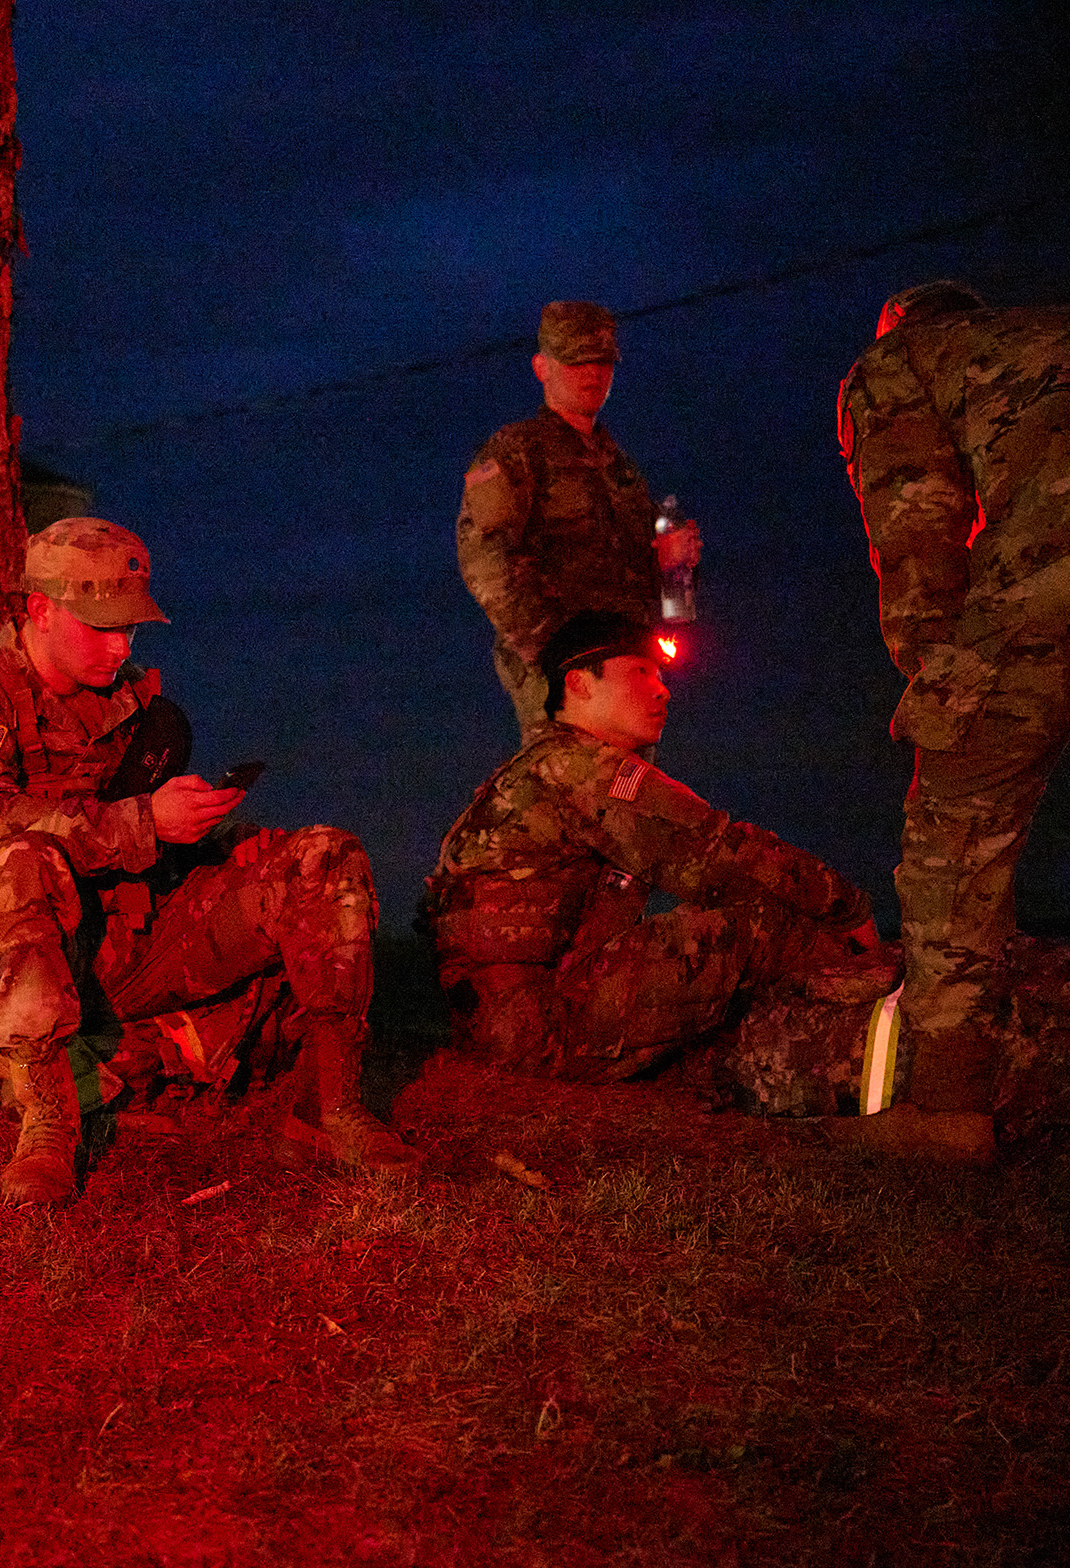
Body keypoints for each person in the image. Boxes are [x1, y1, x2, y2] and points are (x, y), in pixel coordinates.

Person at [0, 517, 415, 1205]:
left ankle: (332, 1106)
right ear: (40, 609)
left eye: (129, 627)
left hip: (123, 942)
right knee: (25, 860)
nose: (119, 644)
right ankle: (49, 1122)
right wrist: (144, 821)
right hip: (2, 957)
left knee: (322, 857)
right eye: (100, 625)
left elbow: (148, 837)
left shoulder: (132, 697)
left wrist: (208, 831)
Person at [423, 611, 901, 1116]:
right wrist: (850, 910)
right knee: (760, 921)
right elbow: (721, 856)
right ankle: (896, 1024)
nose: (662, 691)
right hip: (541, 1030)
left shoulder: (543, 767)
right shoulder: (582, 769)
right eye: (641, 674)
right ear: (579, 685)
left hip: (510, 1028)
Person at [839, 281, 1070, 1145]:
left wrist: (939, 685)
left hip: (1050, 571)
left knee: (954, 842)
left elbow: (917, 535)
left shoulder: (900, 361)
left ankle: (946, 1109)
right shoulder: (1039, 335)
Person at [457, 301, 703, 739]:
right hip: (564, 672)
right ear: (542, 367)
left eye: (602, 362)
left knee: (626, 794)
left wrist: (670, 558)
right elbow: (485, 558)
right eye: (575, 362)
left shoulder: (619, 467)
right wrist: (554, 650)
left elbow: (638, 572)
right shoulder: (517, 452)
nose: (592, 374)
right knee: (571, 792)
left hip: (628, 662)